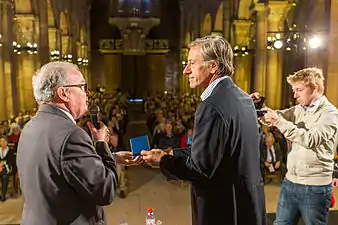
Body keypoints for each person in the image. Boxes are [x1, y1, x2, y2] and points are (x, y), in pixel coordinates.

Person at [141, 35, 267, 225]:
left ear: (213, 66)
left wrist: (163, 162)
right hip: (246, 204)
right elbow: (214, 151)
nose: (186, 70)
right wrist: (171, 152)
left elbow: (201, 169)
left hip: (223, 211)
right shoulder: (242, 97)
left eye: (192, 63)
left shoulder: (212, 105)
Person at [17, 62, 142, 225]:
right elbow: (105, 191)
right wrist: (102, 145)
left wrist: (113, 157)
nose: (88, 92)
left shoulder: (30, 127)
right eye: (82, 86)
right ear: (63, 93)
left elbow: (59, 165)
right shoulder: (71, 134)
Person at [260, 67, 338, 225]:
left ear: (314, 88)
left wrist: (278, 121)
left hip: (315, 187)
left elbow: (310, 139)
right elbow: (275, 116)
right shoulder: (299, 109)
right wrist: (259, 107)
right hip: (290, 182)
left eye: (299, 90)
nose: (295, 95)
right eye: (294, 90)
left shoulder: (330, 114)